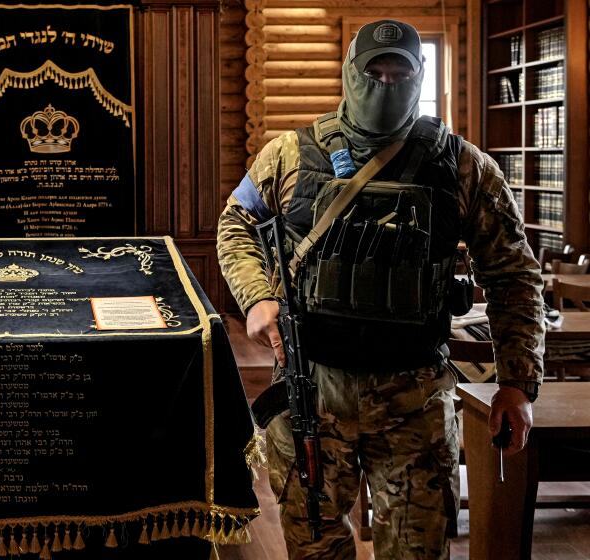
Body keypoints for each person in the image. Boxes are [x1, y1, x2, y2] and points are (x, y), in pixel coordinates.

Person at [217, 19, 544, 560]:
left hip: (415, 397)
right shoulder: (291, 154)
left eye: (400, 72)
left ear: (417, 78)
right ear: (351, 72)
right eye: (375, 71)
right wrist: (257, 297)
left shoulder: (463, 166)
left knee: (418, 552)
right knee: (316, 548)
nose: (386, 83)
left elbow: (513, 275)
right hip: (313, 392)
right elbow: (236, 224)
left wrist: (517, 383)